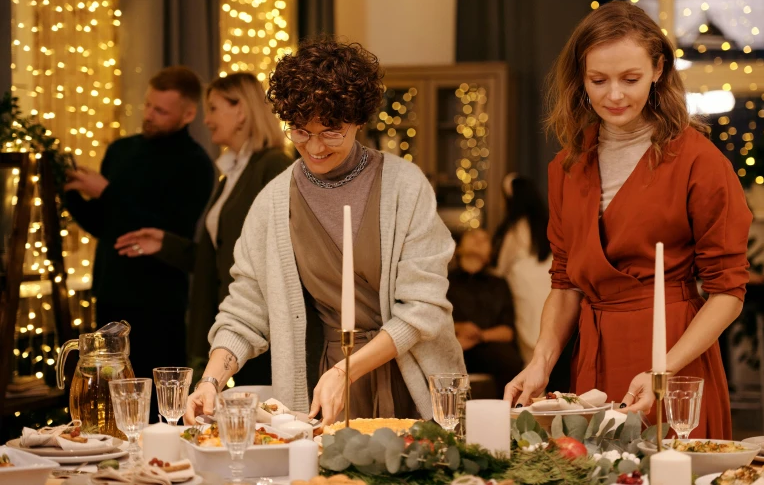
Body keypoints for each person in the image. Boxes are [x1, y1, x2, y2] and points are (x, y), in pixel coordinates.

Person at [184, 38, 466, 426]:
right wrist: (211, 381)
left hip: (411, 376)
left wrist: (346, 371)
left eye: (331, 131)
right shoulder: (273, 202)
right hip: (327, 388)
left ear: (359, 120)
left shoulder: (405, 187)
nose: (314, 147)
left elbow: (423, 308)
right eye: (300, 131)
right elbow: (245, 311)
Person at [503, 1, 752, 439]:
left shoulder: (700, 161)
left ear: (658, 69)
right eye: (598, 80)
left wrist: (663, 369)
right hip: (594, 358)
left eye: (630, 79)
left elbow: (727, 292)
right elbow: (565, 285)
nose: (614, 95)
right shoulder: (567, 166)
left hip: (674, 357)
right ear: (580, 79)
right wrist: (540, 362)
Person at [113, 73, 293, 384]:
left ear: (240, 111)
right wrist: (166, 244)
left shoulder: (272, 165)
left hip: (258, 327)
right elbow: (223, 255)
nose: (206, 120)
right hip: (225, 318)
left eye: (213, 109)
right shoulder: (231, 173)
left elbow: (278, 253)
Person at [64, 66, 215, 383]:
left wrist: (107, 192)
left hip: (160, 303)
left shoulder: (196, 164)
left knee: (158, 401)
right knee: (107, 395)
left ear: (188, 115)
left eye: (160, 111)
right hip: (110, 294)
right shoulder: (121, 150)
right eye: (148, 105)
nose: (149, 115)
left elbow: (169, 232)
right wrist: (69, 194)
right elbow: (103, 225)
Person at [448, 229, 522, 398]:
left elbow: (508, 332)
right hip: (453, 345)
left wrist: (478, 336)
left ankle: (508, 417)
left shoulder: (499, 284)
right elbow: (431, 322)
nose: (478, 240)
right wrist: (459, 327)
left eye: (485, 239)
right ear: (458, 248)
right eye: (472, 235)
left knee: (509, 359)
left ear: (490, 254)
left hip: (490, 349)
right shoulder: (444, 281)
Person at [493, 175, 554, 366]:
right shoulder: (547, 224)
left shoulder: (515, 230)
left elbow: (500, 268)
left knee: (530, 349)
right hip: (548, 287)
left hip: (525, 292)